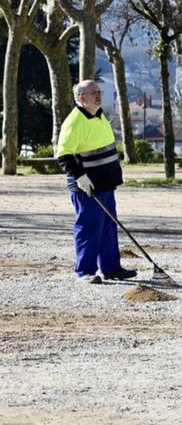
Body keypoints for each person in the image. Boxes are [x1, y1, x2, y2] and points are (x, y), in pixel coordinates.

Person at [55, 80, 137, 284]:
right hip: (86, 187)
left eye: (99, 92)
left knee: (108, 227)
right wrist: (80, 177)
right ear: (81, 98)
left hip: (106, 184)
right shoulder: (74, 121)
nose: (98, 96)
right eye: (93, 93)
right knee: (89, 227)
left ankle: (111, 268)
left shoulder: (100, 117)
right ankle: (84, 271)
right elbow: (64, 154)